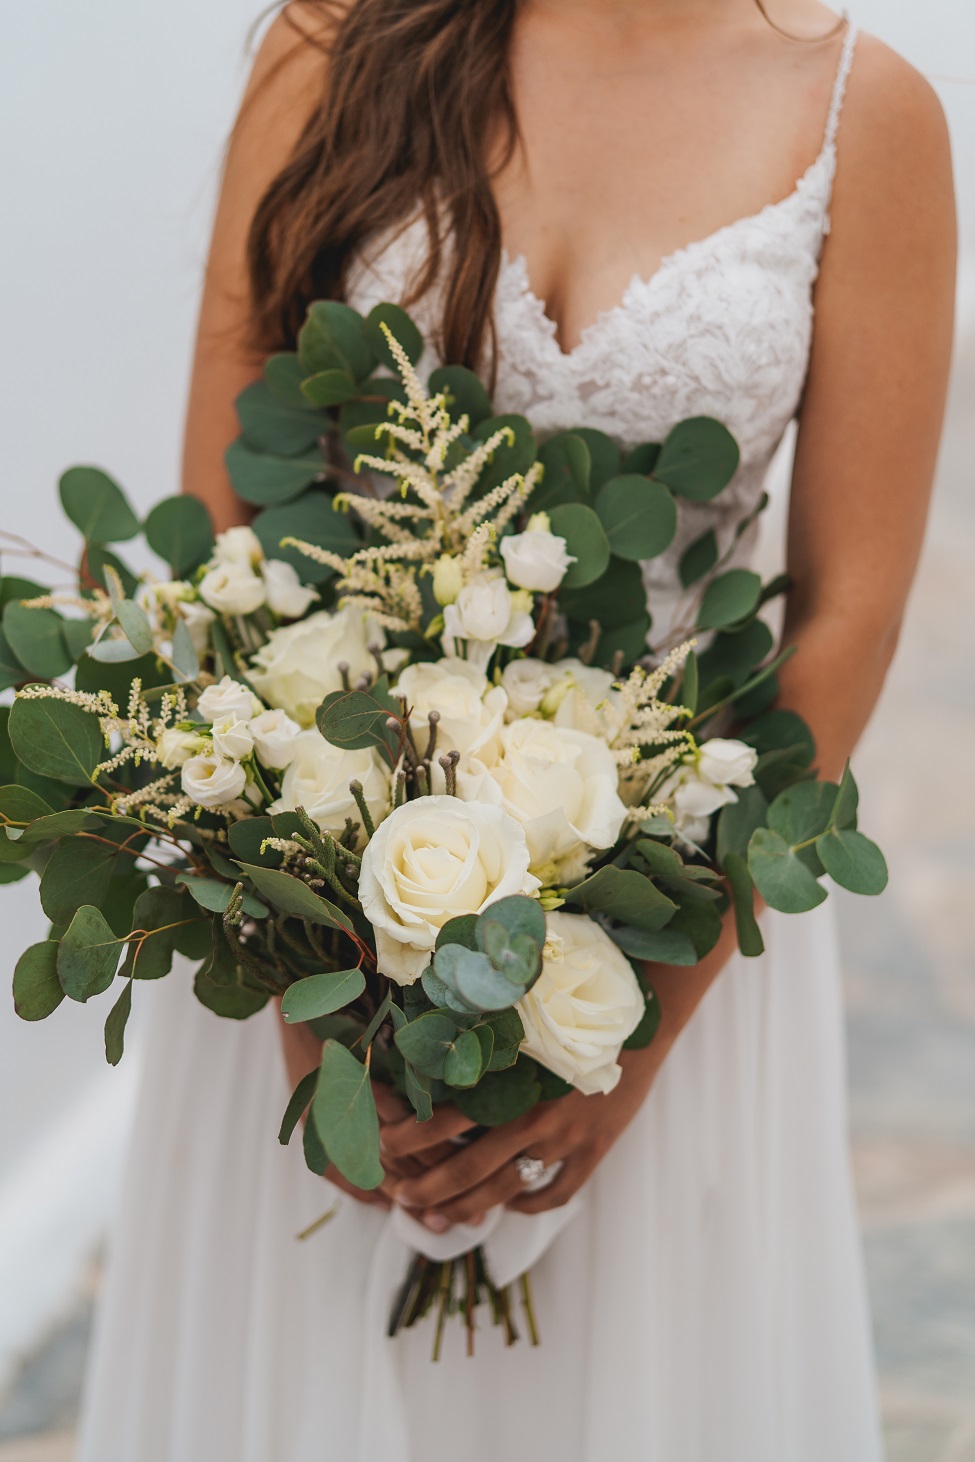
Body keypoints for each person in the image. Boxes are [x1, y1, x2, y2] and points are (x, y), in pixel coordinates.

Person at [76, 1, 956, 1458]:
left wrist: (632, 1045)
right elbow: (216, 537)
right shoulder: (332, 45)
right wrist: (305, 987)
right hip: (297, 903)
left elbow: (842, 622)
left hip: (663, 912)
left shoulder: (871, 114)